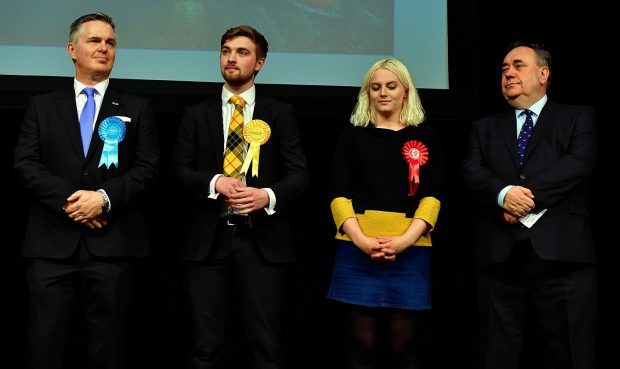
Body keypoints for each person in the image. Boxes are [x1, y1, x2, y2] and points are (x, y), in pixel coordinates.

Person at [13, 12, 159, 369]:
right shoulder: (42, 105)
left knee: (108, 348)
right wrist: (72, 202)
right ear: (71, 49)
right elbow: (25, 164)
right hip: (51, 245)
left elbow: (147, 169)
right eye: (94, 41)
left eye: (110, 42)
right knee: (43, 346)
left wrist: (103, 200)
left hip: (113, 245)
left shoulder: (138, 108)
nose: (104, 48)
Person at [170, 25, 309, 368]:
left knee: (266, 346)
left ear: (259, 62)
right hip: (207, 240)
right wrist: (216, 181)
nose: (231, 58)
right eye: (226, 50)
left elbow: (299, 175)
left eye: (242, 52)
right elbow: (177, 170)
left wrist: (267, 196)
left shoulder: (280, 113)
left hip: (262, 242)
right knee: (205, 347)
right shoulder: (196, 113)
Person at [462, 42, 598, 369]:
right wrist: (502, 195)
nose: (508, 72)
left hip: (563, 257)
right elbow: (471, 170)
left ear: (543, 73)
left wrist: (519, 197)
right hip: (500, 258)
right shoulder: (484, 127)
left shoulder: (576, 116)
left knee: (570, 355)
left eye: (518, 65)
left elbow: (578, 163)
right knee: (496, 355)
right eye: (504, 68)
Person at [328, 58, 442, 369]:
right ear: (367, 93)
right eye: (375, 87)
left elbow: (432, 197)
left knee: (404, 348)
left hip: (410, 250)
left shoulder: (425, 136)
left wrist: (404, 240)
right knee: (360, 347)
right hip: (356, 249)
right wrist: (362, 241)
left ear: (406, 91)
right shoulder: (352, 135)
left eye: (391, 86)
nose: (383, 93)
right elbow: (339, 195)